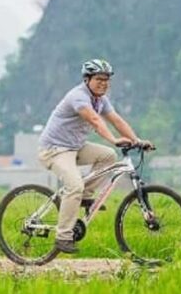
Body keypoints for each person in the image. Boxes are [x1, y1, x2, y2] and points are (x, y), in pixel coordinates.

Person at [37, 59, 152, 254]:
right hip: (54, 149)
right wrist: (114, 140)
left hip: (75, 147)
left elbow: (116, 120)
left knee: (108, 156)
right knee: (74, 185)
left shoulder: (101, 99)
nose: (104, 83)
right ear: (87, 79)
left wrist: (136, 139)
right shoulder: (78, 97)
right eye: (99, 79)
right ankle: (63, 236)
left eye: (107, 80)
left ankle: (84, 196)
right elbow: (95, 120)